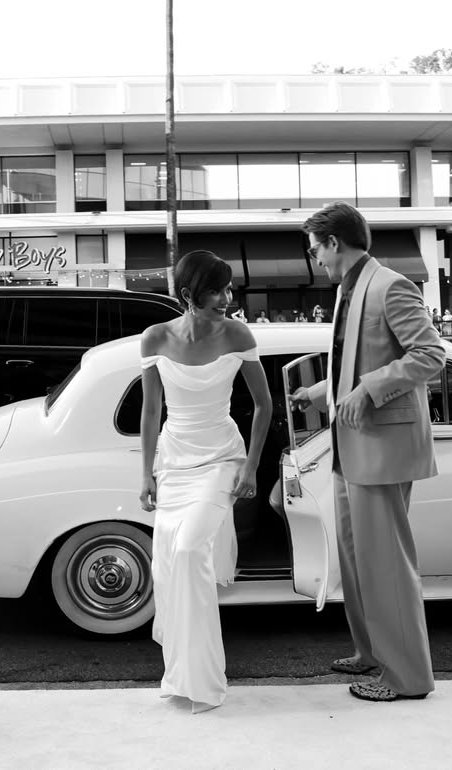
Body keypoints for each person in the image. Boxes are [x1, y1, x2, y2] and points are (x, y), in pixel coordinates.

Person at [290, 202, 445, 703]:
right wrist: (324, 394)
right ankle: (372, 652)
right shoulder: (348, 289)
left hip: (381, 447)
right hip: (349, 445)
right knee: (355, 561)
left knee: (385, 566)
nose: (315, 259)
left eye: (316, 249)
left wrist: (368, 390)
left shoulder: (390, 285)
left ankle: (408, 679)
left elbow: (430, 356)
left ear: (335, 242)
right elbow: (355, 359)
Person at [139, 250, 272, 714]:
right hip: (174, 465)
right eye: (217, 289)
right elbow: (151, 411)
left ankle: (206, 681)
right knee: (169, 566)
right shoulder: (154, 338)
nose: (226, 298)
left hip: (221, 460)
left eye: (228, 288)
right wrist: (147, 474)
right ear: (189, 293)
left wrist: (251, 466)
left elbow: (264, 405)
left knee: (191, 550)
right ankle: (179, 676)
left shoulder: (236, 333)